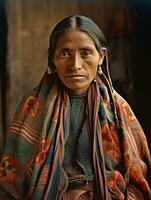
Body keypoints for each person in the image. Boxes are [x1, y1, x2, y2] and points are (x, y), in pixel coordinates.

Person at [0, 15, 150, 200]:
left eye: (86, 53)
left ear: (101, 56)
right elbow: (11, 182)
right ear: (52, 59)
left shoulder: (118, 109)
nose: (75, 65)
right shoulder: (33, 106)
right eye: (64, 53)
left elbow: (138, 179)